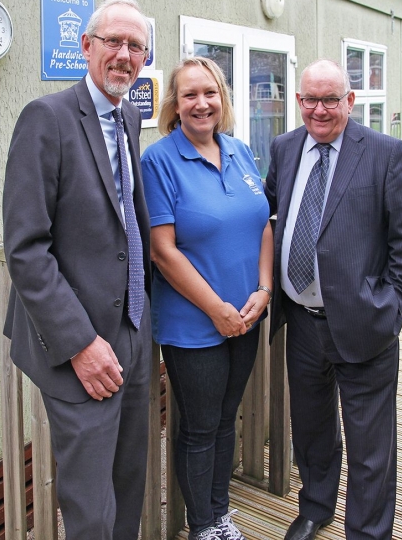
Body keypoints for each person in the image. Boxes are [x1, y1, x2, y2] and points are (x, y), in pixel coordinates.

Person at [1, 1, 152, 538]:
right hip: (78, 347)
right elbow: (25, 248)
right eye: (113, 41)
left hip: (133, 332)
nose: (124, 55)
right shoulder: (47, 119)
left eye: (135, 47)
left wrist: (140, 324)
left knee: (130, 480)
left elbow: (120, 224)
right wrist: (80, 344)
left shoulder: (129, 117)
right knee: (90, 504)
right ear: (86, 47)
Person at [264, 59, 402, 540]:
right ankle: (315, 507)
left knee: (370, 446)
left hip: (363, 322)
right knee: (311, 428)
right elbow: (273, 218)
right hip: (302, 323)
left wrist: (391, 310)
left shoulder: (384, 153)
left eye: (330, 99)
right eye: (310, 99)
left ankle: (368, 533)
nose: (319, 109)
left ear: (349, 101)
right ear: (298, 101)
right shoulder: (285, 148)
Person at [141, 57, 273, 540]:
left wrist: (263, 289)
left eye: (210, 93)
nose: (201, 103)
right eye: (190, 95)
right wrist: (216, 310)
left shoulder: (239, 151)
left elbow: (262, 223)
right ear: (175, 106)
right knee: (199, 427)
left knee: (223, 421)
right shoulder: (159, 160)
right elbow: (162, 249)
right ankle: (203, 527)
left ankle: (220, 515)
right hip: (194, 324)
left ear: (223, 98)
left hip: (246, 315)